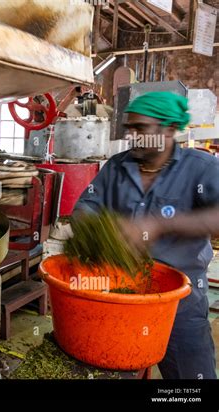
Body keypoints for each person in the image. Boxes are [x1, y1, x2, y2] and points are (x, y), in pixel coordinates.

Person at [74, 91, 219, 379]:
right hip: (121, 297)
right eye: (130, 128)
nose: (133, 136)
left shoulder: (201, 168)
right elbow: (85, 207)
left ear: (168, 129)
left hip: (180, 304)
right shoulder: (116, 166)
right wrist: (104, 233)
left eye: (141, 128)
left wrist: (161, 224)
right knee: (111, 368)